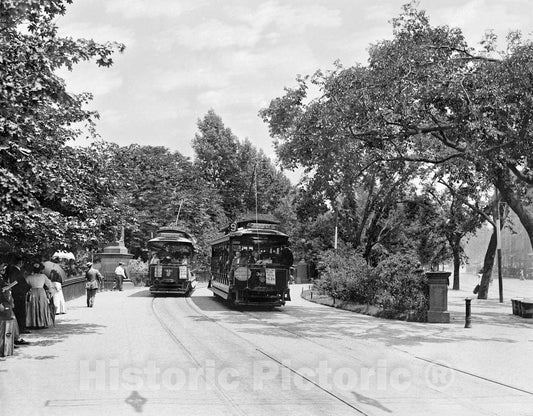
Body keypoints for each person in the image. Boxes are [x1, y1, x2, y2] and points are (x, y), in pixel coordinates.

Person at [6, 255, 31, 334]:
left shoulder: (13, 270)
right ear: (20, 263)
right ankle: (21, 328)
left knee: (18, 310)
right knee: (20, 311)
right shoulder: (15, 271)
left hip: (18, 293)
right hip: (19, 293)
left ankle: (20, 327)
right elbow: (17, 281)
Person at [25, 262, 53, 329]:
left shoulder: (29, 277)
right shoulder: (43, 276)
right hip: (41, 292)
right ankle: (42, 322)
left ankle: (33, 323)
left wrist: (28, 290)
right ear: (40, 270)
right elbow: (49, 284)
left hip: (33, 292)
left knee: (33, 306)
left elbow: (25, 285)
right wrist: (50, 292)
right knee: (41, 306)